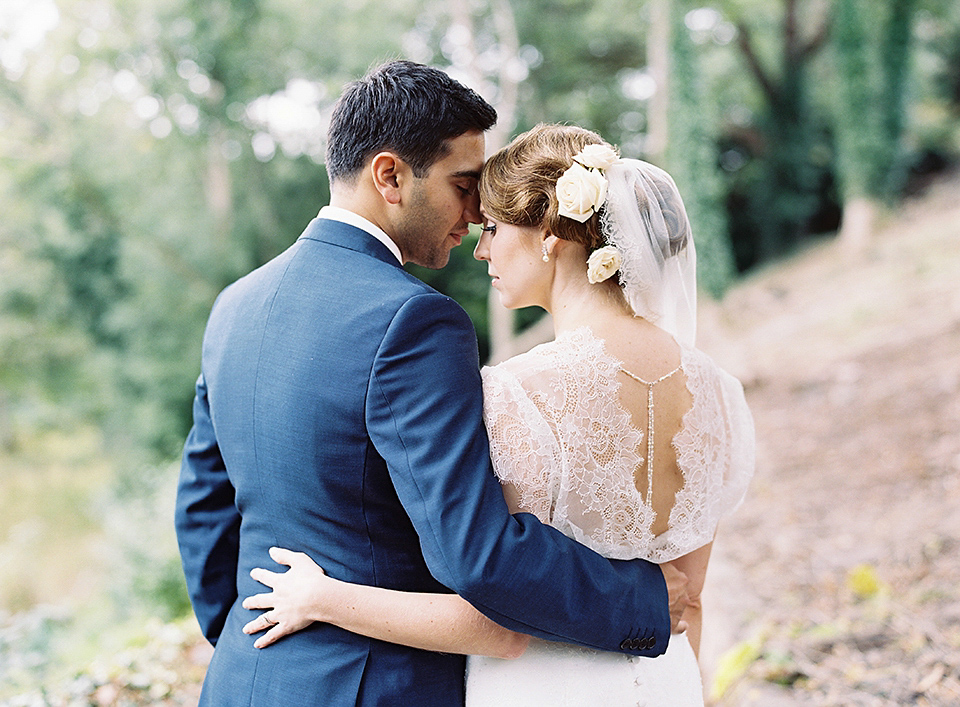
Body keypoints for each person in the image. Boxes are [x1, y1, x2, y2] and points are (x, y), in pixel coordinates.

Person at [175, 62, 689, 707]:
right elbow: (473, 551)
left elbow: (203, 511)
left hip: (244, 679)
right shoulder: (413, 320)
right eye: (464, 184)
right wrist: (640, 596)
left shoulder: (234, 306)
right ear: (390, 176)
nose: (478, 214)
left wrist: (246, 643)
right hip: (378, 687)